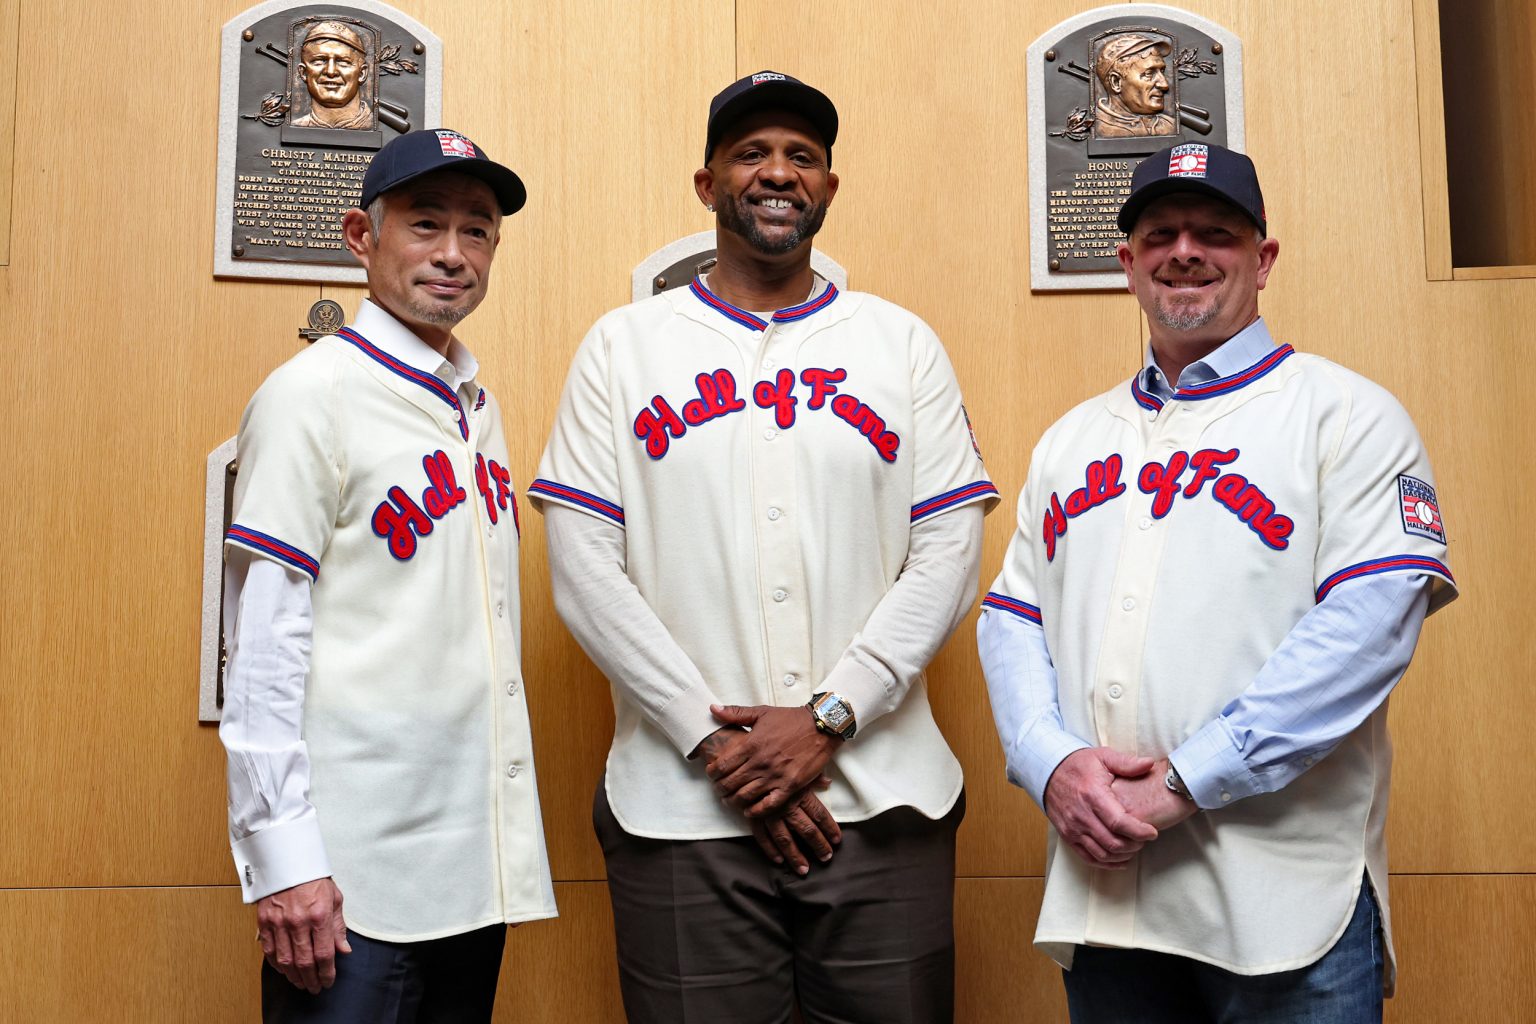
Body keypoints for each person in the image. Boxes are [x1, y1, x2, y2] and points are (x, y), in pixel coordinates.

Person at [530, 70, 998, 1023]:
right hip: (681, 812)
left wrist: (830, 714)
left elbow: (949, 549)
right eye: (751, 153)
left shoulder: (901, 344)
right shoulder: (621, 348)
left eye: (802, 156)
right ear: (707, 185)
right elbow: (583, 566)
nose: (777, 172)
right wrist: (717, 742)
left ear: (827, 187)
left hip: (883, 802)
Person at [979, 142, 1457, 1022]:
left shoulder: (1347, 415)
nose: (1185, 251)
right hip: (1108, 899)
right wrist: (1049, 765)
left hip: (1282, 899)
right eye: (1159, 233)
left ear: (1263, 259)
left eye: (1217, 233)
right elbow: (1011, 619)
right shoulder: (1073, 439)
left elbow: (1366, 631)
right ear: (1127, 264)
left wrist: (1181, 782)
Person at [220, 128, 556, 1022]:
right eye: (425, 224)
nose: (453, 253)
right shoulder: (311, 394)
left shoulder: (476, 407)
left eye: (477, 230)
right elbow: (263, 646)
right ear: (361, 238)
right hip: (350, 889)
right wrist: (284, 863)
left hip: (468, 877)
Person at [291, 20, 373, 130]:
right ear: (303, 72)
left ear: (362, 73)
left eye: (343, 62)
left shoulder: (372, 124)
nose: (331, 71)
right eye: (319, 61)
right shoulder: (296, 126)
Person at [1093, 34, 1176, 139]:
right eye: (1149, 74)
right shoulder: (1097, 128)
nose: (1164, 85)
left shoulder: (1171, 126)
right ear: (1116, 82)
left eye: (1162, 71)